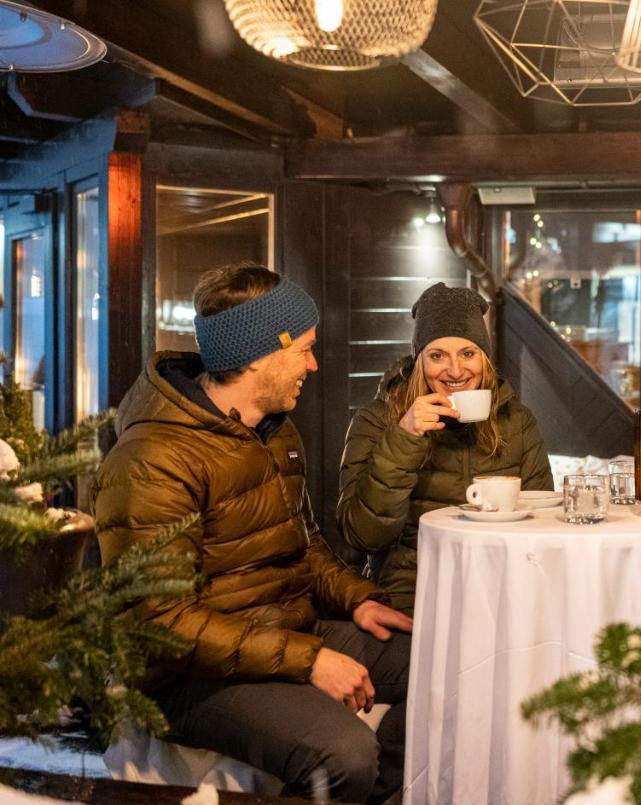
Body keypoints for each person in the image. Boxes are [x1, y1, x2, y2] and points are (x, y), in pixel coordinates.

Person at [94, 263, 413, 804]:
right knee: (342, 754)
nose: (313, 365)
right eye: (304, 349)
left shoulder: (273, 428)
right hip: (189, 676)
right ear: (263, 352)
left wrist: (357, 599)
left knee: (441, 665)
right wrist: (309, 661)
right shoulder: (153, 460)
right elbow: (158, 622)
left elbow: (303, 544)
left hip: (284, 630)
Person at [338, 283, 553, 615]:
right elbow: (363, 535)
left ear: (485, 358)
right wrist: (406, 436)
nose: (455, 371)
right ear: (419, 361)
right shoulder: (379, 420)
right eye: (437, 356)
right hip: (416, 584)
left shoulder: (517, 421)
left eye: (468, 354)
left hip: (503, 582)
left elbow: (542, 519)